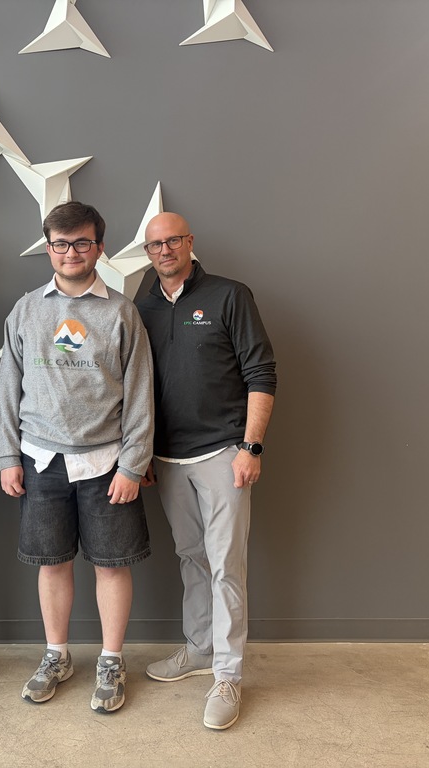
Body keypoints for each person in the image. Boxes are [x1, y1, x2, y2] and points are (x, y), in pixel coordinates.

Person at [0, 201, 154, 714]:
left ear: (99, 248)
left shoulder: (122, 312)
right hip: (40, 460)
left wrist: (133, 464)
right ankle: (56, 655)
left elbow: (141, 394)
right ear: (49, 249)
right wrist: (7, 456)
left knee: (112, 567)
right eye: (60, 244)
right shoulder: (26, 310)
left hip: (107, 463)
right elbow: (7, 389)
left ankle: (111, 660)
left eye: (82, 242)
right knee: (52, 564)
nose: (71, 253)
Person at [136, 212, 277, 730]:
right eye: (155, 244)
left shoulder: (230, 295)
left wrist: (251, 447)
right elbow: (137, 384)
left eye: (173, 240)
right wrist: (142, 454)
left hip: (223, 454)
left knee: (225, 566)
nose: (165, 250)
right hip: (167, 460)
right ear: (148, 252)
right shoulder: (143, 305)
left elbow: (261, 372)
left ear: (189, 242)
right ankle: (199, 648)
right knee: (191, 557)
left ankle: (228, 675)